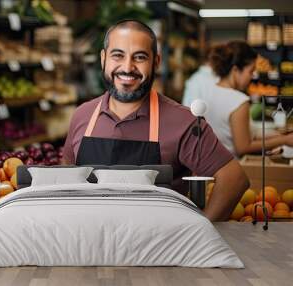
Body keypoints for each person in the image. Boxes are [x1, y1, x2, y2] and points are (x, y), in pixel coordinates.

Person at [62, 20, 249, 221]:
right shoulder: (83, 115)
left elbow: (234, 180)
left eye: (140, 57)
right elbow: (67, 177)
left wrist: (202, 231)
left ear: (156, 62)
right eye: (118, 55)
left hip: (156, 248)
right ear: (103, 58)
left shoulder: (183, 121)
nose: (127, 67)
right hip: (89, 243)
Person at [203, 41, 293, 157]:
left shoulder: (209, 92)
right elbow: (243, 147)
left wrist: (280, 135)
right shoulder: (238, 101)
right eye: (250, 71)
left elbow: (245, 133)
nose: (252, 76)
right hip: (234, 167)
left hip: (212, 164)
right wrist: (284, 140)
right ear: (235, 70)